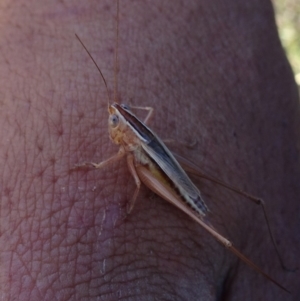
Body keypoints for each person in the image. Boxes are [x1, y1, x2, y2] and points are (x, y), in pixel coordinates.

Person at [0, 0, 299, 299]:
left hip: (171, 182)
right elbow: (150, 115)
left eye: (116, 118)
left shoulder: (131, 142)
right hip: (156, 157)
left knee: (223, 237)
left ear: (125, 123)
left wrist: (114, 192)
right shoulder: (140, 125)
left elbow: (136, 181)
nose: (112, 123)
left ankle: (275, 277)